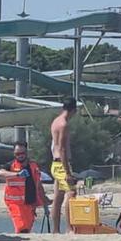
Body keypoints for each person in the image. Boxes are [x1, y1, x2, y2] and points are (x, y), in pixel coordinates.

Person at [0, 141, 48, 234]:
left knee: (27, 228)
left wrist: (45, 204)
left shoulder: (33, 165)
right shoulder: (10, 166)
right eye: (17, 154)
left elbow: (39, 185)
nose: (20, 156)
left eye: (22, 153)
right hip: (15, 203)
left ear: (26, 152)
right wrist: (17, 174)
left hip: (30, 204)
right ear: (14, 154)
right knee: (21, 227)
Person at [49, 98, 78, 234]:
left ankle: (55, 229)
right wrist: (68, 172)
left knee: (58, 196)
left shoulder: (55, 121)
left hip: (55, 163)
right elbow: (62, 149)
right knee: (71, 193)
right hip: (61, 164)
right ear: (74, 110)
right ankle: (69, 228)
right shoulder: (63, 124)